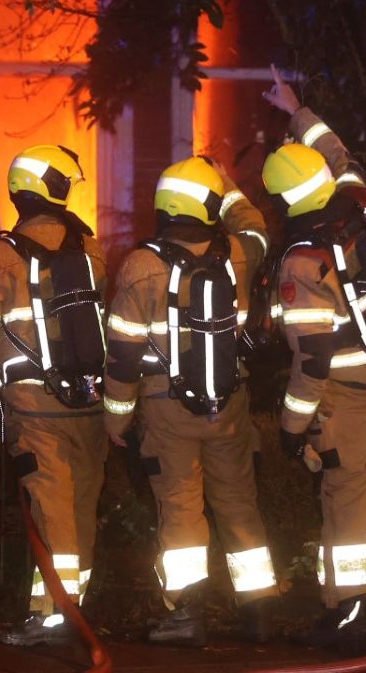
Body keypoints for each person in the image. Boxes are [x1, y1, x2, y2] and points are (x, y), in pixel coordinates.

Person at [261, 66, 366, 648]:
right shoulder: (362, 204)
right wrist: (297, 110)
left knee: (343, 498)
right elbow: (339, 152)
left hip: (343, 394)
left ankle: (349, 612)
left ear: (282, 201)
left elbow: (313, 360)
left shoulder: (302, 261)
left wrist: (291, 426)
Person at [102, 154, 279, 646]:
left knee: (180, 509)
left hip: (166, 408)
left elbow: (122, 357)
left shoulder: (141, 266)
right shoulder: (239, 254)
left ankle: (186, 615)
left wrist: (116, 418)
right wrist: (227, 182)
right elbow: (256, 227)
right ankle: (260, 610)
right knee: (239, 504)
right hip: (229, 403)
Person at [0, 144, 108, 646]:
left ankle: (54, 617)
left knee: (51, 510)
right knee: (81, 506)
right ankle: (72, 608)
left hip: (32, 407)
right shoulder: (92, 252)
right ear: (57, 189)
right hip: (88, 403)